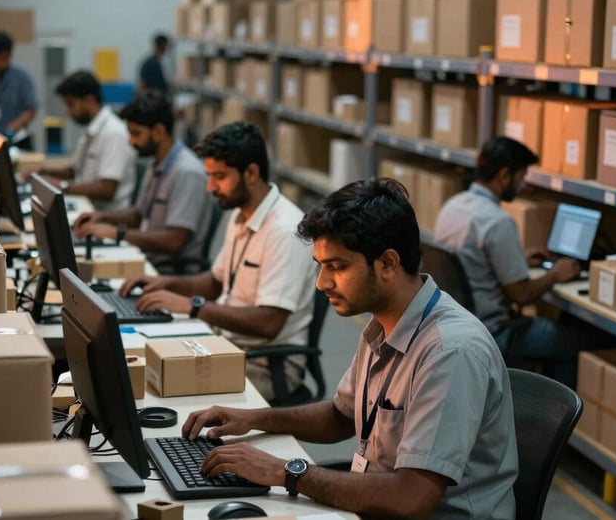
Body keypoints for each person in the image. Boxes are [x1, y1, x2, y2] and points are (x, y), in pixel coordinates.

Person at [183, 178, 518, 519]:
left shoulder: (450, 351)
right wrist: (254, 418)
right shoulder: (383, 323)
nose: (322, 283)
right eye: (321, 265)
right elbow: (340, 417)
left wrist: (287, 472)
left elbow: (411, 499)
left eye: (337, 267)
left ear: (388, 263)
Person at [120, 122, 316, 401]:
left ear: (250, 173)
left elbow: (268, 323)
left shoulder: (285, 231)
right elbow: (215, 281)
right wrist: (166, 283)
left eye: (220, 176)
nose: (211, 187)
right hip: (226, 343)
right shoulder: (240, 213)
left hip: (265, 364)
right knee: (137, 363)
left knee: (149, 388)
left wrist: (193, 306)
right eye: (209, 176)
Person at [433, 136, 583, 386]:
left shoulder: (453, 206)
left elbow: (468, 262)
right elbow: (521, 295)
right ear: (504, 175)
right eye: (522, 176)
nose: (523, 184)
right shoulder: (497, 221)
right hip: (493, 333)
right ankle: (557, 414)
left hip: (455, 325)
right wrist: (555, 274)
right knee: (574, 341)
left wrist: (515, 261)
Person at [73, 89, 212, 271]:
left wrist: (118, 234)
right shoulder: (156, 162)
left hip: (168, 271)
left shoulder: (186, 173)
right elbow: (140, 215)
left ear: (158, 131)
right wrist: (103, 218)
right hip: (145, 258)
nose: (130, 141)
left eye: (136, 134)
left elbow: (174, 241)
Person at [25, 70, 137, 211]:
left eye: (71, 104)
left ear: (89, 100)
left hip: (106, 217)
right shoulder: (92, 129)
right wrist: (43, 172)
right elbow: (73, 170)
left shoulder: (114, 133)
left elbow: (107, 190)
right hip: (86, 207)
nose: (67, 111)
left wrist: (62, 185)